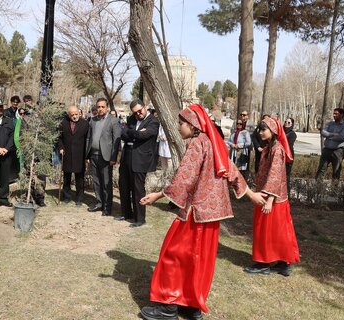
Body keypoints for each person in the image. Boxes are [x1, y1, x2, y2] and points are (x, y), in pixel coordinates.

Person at [138, 105, 265, 320]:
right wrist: (251, 194)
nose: (178, 127)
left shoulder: (197, 144)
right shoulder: (213, 142)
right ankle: (191, 306)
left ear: (192, 124)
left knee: (174, 255)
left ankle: (169, 307)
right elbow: (231, 170)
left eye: (181, 123)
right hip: (212, 215)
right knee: (199, 260)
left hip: (195, 213)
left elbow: (184, 179)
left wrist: (158, 195)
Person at [244, 117, 300, 277]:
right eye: (260, 129)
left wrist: (269, 200)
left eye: (264, 129)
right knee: (277, 232)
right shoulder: (270, 147)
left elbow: (275, 176)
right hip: (269, 196)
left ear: (273, 131)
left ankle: (263, 263)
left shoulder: (277, 149)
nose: (260, 132)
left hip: (272, 199)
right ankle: (283, 263)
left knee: (268, 231)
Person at [117, 99, 159, 227]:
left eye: (140, 111)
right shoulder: (132, 119)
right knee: (124, 185)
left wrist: (133, 133)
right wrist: (135, 133)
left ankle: (140, 218)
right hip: (127, 156)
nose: (138, 114)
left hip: (141, 159)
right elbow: (123, 133)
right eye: (135, 113)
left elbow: (145, 136)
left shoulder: (153, 121)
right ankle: (126, 213)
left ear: (144, 107)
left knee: (138, 189)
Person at [85, 97, 121, 216]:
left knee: (106, 183)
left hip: (106, 157)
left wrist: (114, 157)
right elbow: (89, 138)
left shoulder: (113, 120)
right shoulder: (92, 120)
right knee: (96, 182)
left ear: (107, 107)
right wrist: (87, 155)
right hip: (93, 156)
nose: (100, 109)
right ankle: (99, 203)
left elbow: (117, 139)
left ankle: (107, 207)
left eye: (102, 107)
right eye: (98, 107)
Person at [57, 105, 89, 205]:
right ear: (68, 115)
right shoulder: (63, 123)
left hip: (80, 155)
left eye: (76, 114)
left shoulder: (85, 123)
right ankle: (66, 196)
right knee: (67, 178)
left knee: (80, 179)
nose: (74, 116)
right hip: (67, 154)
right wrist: (61, 147)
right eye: (72, 115)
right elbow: (59, 138)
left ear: (79, 113)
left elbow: (88, 140)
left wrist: (87, 156)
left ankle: (79, 198)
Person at [315, 108, 344, 180]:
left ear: (341, 115)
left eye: (336, 114)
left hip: (338, 151)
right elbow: (323, 132)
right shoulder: (330, 124)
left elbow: (342, 137)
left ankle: (334, 190)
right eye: (334, 113)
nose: (334, 115)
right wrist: (334, 135)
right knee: (321, 170)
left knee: (336, 172)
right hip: (326, 150)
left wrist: (329, 135)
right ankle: (317, 189)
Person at [283, 117, 297, 192]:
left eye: (288, 123)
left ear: (292, 124)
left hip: (288, 155)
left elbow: (289, 145)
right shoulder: (280, 132)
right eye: (285, 121)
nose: (286, 123)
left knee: (286, 175)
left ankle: (286, 192)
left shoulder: (292, 134)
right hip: (279, 155)